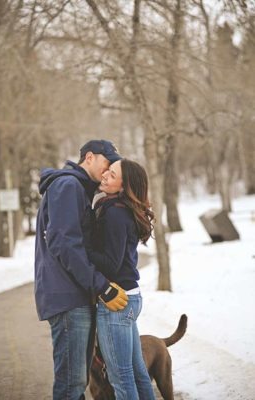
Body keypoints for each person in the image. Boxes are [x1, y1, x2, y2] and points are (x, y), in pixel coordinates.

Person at [34, 140, 128, 400]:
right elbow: (65, 244)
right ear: (89, 157)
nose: (109, 170)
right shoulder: (68, 185)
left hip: (73, 295)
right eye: (107, 163)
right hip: (67, 298)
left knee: (76, 381)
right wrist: (101, 286)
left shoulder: (76, 187)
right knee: (71, 384)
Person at [88, 158, 156, 400]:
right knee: (137, 374)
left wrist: (80, 245)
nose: (105, 175)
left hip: (117, 302)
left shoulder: (115, 213)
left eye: (112, 174)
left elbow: (110, 263)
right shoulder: (120, 208)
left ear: (124, 186)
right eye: (108, 170)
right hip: (130, 297)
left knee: (121, 377)